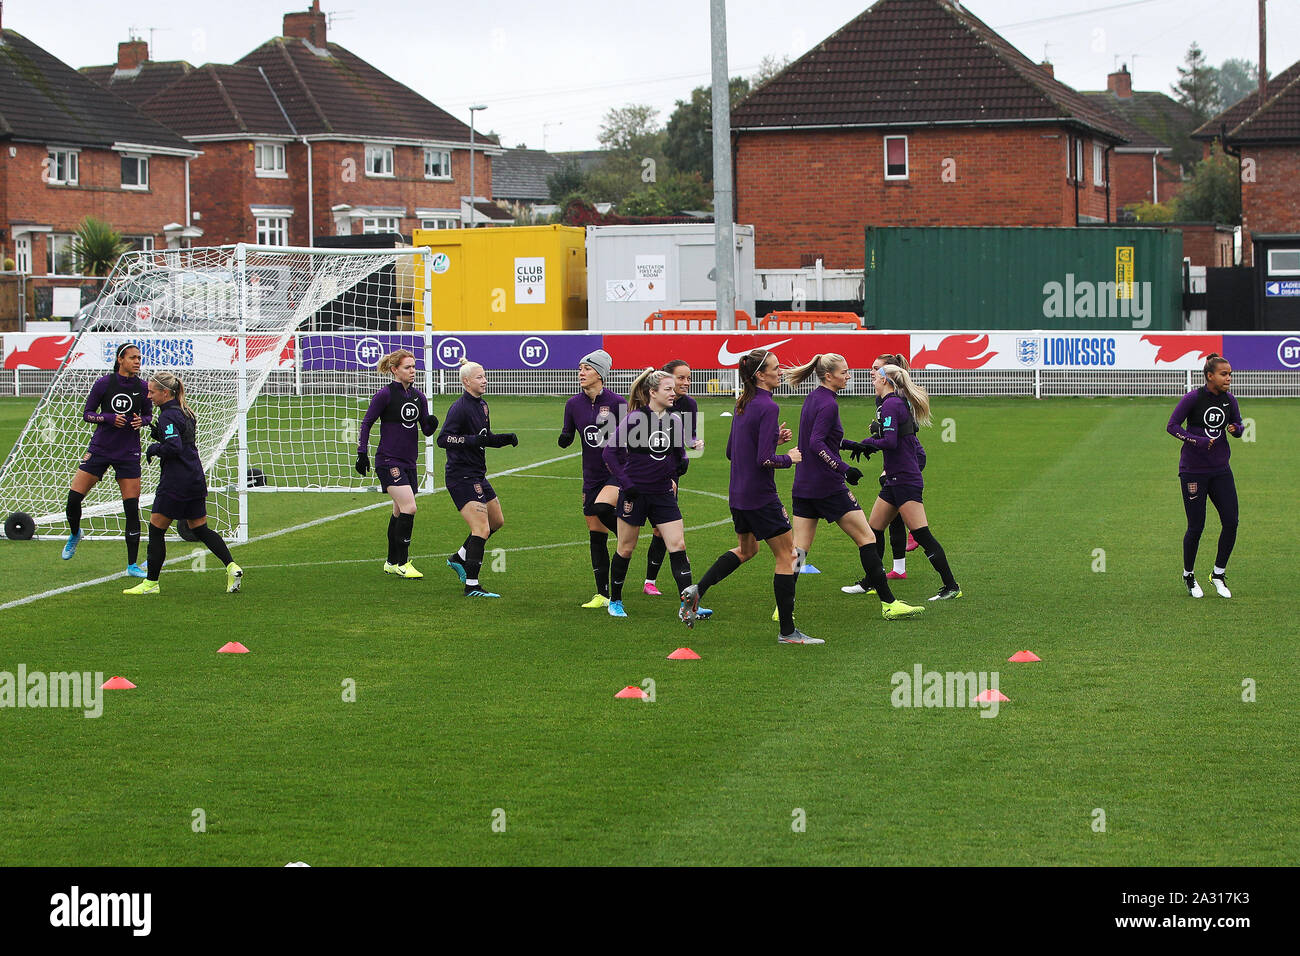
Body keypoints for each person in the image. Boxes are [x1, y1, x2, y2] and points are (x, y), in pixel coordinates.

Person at [680, 349, 820, 644]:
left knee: (747, 550)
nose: (780, 372)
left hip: (738, 495)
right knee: (789, 556)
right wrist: (789, 457)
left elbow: (733, 451)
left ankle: (697, 590)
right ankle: (787, 632)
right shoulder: (768, 406)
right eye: (776, 368)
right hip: (761, 496)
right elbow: (764, 460)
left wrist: (771, 439)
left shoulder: (744, 403)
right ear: (760, 375)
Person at [784, 354, 924, 620]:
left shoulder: (813, 398)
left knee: (799, 551)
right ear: (829, 376)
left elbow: (821, 440)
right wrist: (844, 469)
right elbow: (816, 443)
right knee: (868, 539)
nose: (849, 376)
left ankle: (783, 605)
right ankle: (889, 604)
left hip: (803, 485)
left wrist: (853, 445)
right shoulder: (828, 405)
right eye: (844, 372)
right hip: (828, 487)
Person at [845, 364, 962, 601]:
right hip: (894, 479)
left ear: (885, 381)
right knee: (872, 530)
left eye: (876, 378)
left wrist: (864, 443)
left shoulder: (891, 404)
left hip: (905, 479)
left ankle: (951, 586)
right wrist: (865, 442)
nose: (873, 382)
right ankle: (872, 581)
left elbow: (889, 441)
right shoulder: (895, 403)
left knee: (921, 534)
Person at [123, 371, 243, 595]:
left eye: (152, 392)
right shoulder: (186, 412)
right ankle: (231, 567)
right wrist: (159, 435)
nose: (148, 396)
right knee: (200, 528)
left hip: (176, 481)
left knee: (156, 529)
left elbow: (174, 447)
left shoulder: (169, 415)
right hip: (195, 477)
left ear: (165, 393)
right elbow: (181, 440)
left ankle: (151, 583)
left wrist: (154, 448)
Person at [601, 367, 700, 623]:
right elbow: (609, 453)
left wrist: (683, 463)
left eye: (673, 388)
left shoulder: (674, 420)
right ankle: (616, 601)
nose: (673, 392)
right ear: (652, 392)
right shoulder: (634, 419)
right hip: (635, 495)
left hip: (663, 494)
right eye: (667, 389)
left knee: (678, 546)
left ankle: (688, 606)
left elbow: (678, 452)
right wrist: (626, 484)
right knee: (626, 548)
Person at [64, 343, 152, 576]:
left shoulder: (143, 387)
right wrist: (108, 418)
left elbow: (148, 414)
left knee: (131, 509)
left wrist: (140, 422)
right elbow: (87, 414)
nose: (137, 361)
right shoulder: (104, 383)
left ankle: (132, 565)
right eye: (132, 357)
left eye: (139, 358)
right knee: (73, 500)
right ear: (120, 359)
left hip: (128, 452)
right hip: (101, 448)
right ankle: (75, 533)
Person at [355, 349, 438, 579]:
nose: (413, 371)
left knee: (399, 510)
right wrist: (362, 453)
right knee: (410, 508)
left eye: (413, 366)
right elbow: (367, 423)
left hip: (409, 462)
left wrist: (432, 422)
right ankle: (402, 562)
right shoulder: (385, 395)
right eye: (407, 367)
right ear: (394, 370)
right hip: (388, 460)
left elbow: (426, 430)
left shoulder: (418, 397)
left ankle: (391, 562)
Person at [438, 359, 517, 598]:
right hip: (461, 476)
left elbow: (484, 437)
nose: (485, 380)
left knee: (496, 521)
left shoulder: (482, 406)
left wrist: (503, 439)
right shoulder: (459, 408)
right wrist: (472, 441)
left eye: (485, 376)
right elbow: (443, 439)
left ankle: (459, 558)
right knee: (481, 528)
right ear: (466, 382)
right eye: (480, 377)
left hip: (477, 474)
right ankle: (472, 585)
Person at [842, 352, 919, 594]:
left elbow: (903, 431)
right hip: (899, 459)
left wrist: (864, 441)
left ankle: (915, 534)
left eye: (876, 368)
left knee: (879, 524)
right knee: (880, 523)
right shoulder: (883, 398)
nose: (872, 372)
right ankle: (893, 569)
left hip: (906, 461)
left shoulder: (895, 398)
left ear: (889, 374)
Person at [1166, 353, 1243, 598]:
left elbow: (1239, 425)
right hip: (1193, 472)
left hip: (1221, 471)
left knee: (1231, 522)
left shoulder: (1230, 400)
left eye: (1229, 373)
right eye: (1224, 374)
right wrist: (1197, 441)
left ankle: (1218, 574)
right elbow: (1172, 426)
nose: (1228, 378)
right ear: (1210, 376)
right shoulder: (1193, 398)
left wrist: (1236, 429)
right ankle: (1189, 575)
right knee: (1196, 527)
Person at [558, 349, 626, 609]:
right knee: (595, 532)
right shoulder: (573, 404)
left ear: (600, 373)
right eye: (580, 369)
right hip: (591, 475)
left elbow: (631, 437)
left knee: (602, 508)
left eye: (586, 368)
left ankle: (626, 535)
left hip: (615, 473)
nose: (581, 373)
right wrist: (564, 439)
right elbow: (567, 435)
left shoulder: (619, 403)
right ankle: (602, 594)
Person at [642, 359, 704, 596]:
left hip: (671, 474)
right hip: (644, 474)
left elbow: (688, 439)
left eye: (689, 377)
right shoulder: (652, 403)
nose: (686, 382)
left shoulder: (689, 405)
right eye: (681, 378)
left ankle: (650, 581)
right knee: (632, 536)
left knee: (660, 529)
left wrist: (695, 443)